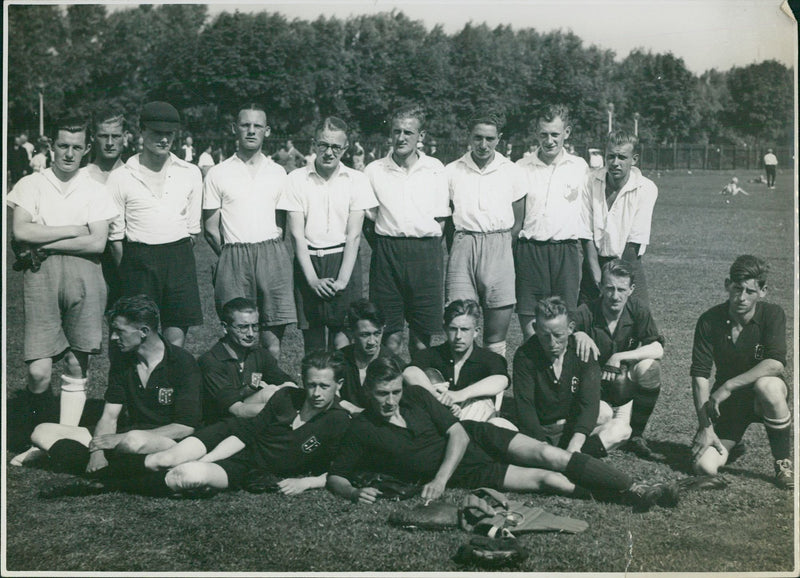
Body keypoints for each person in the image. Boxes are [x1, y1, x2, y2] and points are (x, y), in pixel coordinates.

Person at [327, 356, 679, 510]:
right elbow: (337, 476)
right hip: (469, 472)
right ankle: (626, 497)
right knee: (548, 481)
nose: (390, 401)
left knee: (551, 455)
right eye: (381, 394)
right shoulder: (361, 430)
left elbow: (459, 434)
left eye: (394, 392)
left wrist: (438, 480)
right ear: (367, 392)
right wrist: (352, 494)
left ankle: (636, 486)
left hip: (477, 437)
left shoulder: (416, 395)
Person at [8, 116, 118, 466]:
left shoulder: (96, 190)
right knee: (39, 370)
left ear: (87, 149)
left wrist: (49, 236)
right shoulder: (31, 184)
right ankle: (37, 435)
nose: (69, 154)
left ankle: (63, 440)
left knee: (76, 360)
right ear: (50, 146)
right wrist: (73, 229)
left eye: (76, 147)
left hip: (86, 277)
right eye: (62, 146)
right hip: (41, 277)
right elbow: (21, 232)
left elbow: (98, 243)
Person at [29, 295, 203, 477]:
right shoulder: (123, 360)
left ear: (143, 331)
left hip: (166, 441)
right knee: (42, 432)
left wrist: (117, 439)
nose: (113, 337)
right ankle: (113, 469)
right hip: (127, 435)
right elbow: (109, 417)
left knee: (133, 442)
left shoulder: (182, 362)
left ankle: (98, 467)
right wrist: (97, 451)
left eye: (119, 331)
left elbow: (185, 426)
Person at [141, 350, 351, 496]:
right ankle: (113, 473)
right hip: (230, 434)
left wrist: (306, 483)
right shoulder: (286, 396)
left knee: (186, 475)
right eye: (311, 385)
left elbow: (342, 468)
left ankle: (115, 485)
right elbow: (246, 434)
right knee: (161, 461)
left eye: (324, 386)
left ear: (339, 384)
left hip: (248, 467)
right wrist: (208, 459)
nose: (316, 393)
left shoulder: (338, 420)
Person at [203, 103, 297, 358]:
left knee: (272, 335)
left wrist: (268, 251)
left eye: (257, 126)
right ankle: (238, 390)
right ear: (235, 129)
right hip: (233, 256)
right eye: (245, 125)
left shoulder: (278, 172)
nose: (251, 131)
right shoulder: (218, 173)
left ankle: (270, 390)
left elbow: (281, 224)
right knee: (236, 332)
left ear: (267, 131)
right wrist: (231, 255)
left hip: (271, 254)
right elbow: (210, 228)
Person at [106, 101, 204, 347]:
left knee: (175, 339)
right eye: (157, 132)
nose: (163, 139)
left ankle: (168, 384)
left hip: (179, 258)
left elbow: (192, 231)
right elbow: (116, 239)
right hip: (138, 262)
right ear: (142, 131)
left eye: (169, 134)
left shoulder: (190, 173)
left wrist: (172, 258)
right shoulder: (120, 176)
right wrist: (133, 271)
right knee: (139, 337)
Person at [691, 255, 793, 489]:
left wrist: (727, 386)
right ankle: (732, 445)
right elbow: (699, 376)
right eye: (737, 289)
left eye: (750, 291)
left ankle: (782, 462)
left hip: (761, 397)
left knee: (768, 385)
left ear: (763, 291)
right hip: (730, 404)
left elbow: (776, 363)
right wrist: (706, 427)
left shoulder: (773, 314)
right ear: (728, 284)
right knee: (703, 467)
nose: (741, 298)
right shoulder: (709, 320)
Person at [278, 117, 377, 353]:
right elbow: (297, 236)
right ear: (314, 144)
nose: (329, 152)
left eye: (336, 147)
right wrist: (312, 279)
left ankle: (343, 390)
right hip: (308, 262)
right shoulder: (295, 179)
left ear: (345, 148)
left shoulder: (357, 180)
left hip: (344, 261)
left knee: (342, 342)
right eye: (323, 145)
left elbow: (354, 236)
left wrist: (342, 279)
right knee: (313, 343)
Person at [364, 105, 451, 353]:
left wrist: (420, 245)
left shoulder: (435, 169)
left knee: (421, 337)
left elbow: (441, 221)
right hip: (387, 254)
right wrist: (389, 246)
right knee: (390, 335)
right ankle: (389, 387)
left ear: (420, 136)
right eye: (396, 131)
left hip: (426, 254)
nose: (401, 138)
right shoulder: (374, 170)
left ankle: (417, 388)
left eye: (408, 132)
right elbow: (369, 222)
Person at [445, 112, 527, 357]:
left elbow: (518, 219)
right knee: (461, 324)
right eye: (478, 138)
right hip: (464, 244)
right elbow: (447, 219)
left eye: (490, 139)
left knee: (495, 334)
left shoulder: (511, 171)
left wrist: (500, 249)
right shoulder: (452, 170)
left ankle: (494, 392)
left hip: (499, 245)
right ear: (469, 137)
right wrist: (462, 246)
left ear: (499, 139)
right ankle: (461, 389)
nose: (483, 145)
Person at [572, 260, 665, 459]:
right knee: (604, 416)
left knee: (650, 367)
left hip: (622, 385)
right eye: (610, 288)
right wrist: (576, 335)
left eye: (621, 289)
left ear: (631, 289)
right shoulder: (585, 311)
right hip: (590, 385)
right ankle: (578, 443)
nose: (615, 296)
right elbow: (558, 334)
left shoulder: (637, 308)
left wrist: (619, 356)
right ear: (600, 287)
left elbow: (657, 348)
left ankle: (637, 435)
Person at [515, 104, 591, 340]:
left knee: (564, 323)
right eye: (544, 134)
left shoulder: (579, 167)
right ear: (536, 133)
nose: (549, 140)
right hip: (530, 251)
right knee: (530, 324)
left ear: (566, 133)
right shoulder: (521, 167)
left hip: (565, 252)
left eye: (555, 134)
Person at [512, 297, 604, 455]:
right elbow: (525, 406)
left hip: (571, 429)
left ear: (570, 328)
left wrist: (576, 442)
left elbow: (589, 403)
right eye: (545, 336)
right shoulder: (525, 355)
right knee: (499, 426)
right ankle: (569, 461)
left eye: (558, 335)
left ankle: (572, 457)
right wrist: (541, 446)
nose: (552, 343)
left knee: (619, 429)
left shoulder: (583, 352)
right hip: (539, 432)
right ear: (535, 328)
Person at [403, 299, 513, 427]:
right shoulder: (432, 354)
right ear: (445, 329)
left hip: (477, 423)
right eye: (453, 329)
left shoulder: (488, 358)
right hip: (438, 418)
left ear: (476, 331)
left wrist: (459, 395)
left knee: (487, 411)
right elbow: (409, 372)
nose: (458, 336)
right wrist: (440, 399)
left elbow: (501, 380)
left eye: (465, 329)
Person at [584, 130, 658, 307]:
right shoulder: (589, 181)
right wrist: (596, 272)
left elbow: (634, 241)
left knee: (639, 319)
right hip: (594, 261)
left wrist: (615, 280)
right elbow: (585, 232)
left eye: (622, 157)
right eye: (610, 156)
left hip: (628, 262)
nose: (615, 163)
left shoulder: (646, 188)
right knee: (587, 322)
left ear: (634, 159)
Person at [199, 298, 297, 423]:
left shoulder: (258, 354)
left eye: (255, 326)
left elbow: (285, 381)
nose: (251, 334)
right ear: (225, 327)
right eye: (243, 327)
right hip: (221, 423)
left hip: (252, 418)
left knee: (284, 389)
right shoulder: (212, 362)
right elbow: (236, 411)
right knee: (270, 393)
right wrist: (283, 408)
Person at [83, 107, 127, 311]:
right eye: (103, 136)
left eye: (115, 136)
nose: (110, 143)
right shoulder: (81, 177)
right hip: (89, 261)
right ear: (93, 137)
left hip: (126, 259)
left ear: (125, 137)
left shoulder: (134, 174)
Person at [338, 299, 406, 413]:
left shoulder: (396, 365)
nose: (372, 342)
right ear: (351, 332)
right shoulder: (338, 359)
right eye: (365, 335)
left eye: (377, 333)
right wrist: (347, 406)